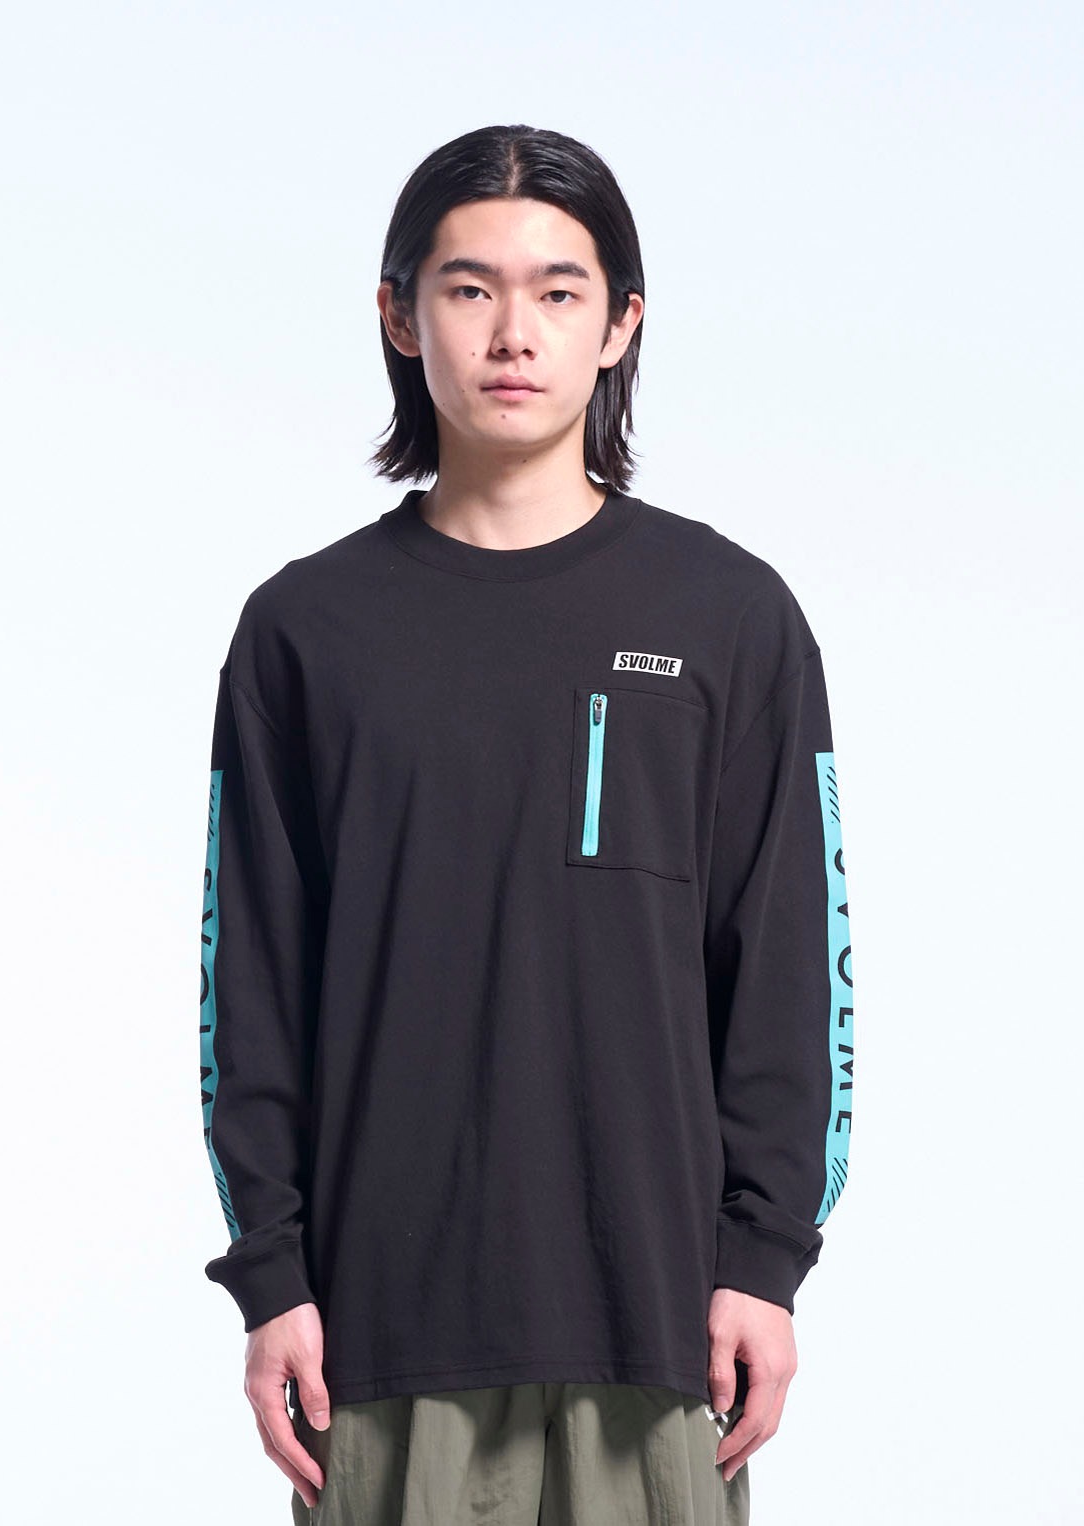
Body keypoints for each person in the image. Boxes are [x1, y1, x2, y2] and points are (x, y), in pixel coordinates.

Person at [198, 123, 854, 1525]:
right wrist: (271, 1273)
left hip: (655, 1324)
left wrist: (765, 1260)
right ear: (399, 315)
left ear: (619, 325)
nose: (514, 332)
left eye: (559, 291)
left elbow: (794, 972)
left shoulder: (729, 618)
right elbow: (247, 984)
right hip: (379, 1329)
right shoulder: (305, 632)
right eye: (469, 287)